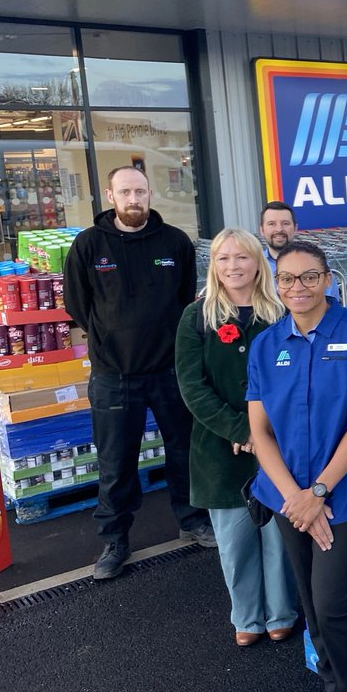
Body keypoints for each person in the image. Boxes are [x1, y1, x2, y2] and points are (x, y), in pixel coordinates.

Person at [246, 240, 347, 692]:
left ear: (328, 279)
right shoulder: (266, 345)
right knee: (309, 602)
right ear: (276, 285)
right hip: (288, 497)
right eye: (287, 279)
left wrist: (319, 493)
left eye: (309, 277)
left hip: (341, 495)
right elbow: (259, 432)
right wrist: (294, 498)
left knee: (331, 603)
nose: (298, 288)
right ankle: (334, 686)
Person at [64, 166, 213, 581]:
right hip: (114, 375)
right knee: (116, 462)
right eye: (125, 192)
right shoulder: (89, 245)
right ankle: (115, 539)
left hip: (170, 370)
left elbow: (186, 301)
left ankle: (192, 519)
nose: (134, 199)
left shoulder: (175, 243)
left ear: (150, 194)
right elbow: (76, 304)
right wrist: (109, 339)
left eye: (141, 192)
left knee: (184, 450)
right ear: (110, 196)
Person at [174, 227, 298, 647]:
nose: (233, 266)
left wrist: (265, 433)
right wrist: (239, 429)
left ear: (257, 262)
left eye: (241, 257)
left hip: (278, 444)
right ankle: (246, 616)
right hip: (218, 448)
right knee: (235, 539)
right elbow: (192, 386)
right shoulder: (197, 316)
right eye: (224, 259)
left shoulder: (279, 312)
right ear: (214, 266)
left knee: (278, 537)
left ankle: (282, 611)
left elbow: (296, 379)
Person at [259, 200, 339, 298]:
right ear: (262, 230)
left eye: (285, 223)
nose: (279, 229)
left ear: (295, 228)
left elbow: (327, 304)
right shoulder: (254, 265)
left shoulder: (316, 263)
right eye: (271, 224)